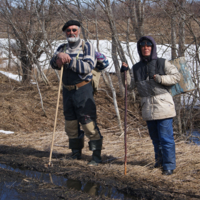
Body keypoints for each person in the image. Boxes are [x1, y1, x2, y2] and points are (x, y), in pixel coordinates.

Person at [121, 36, 180, 175]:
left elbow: (176, 77)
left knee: (166, 139)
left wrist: (161, 79)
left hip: (163, 106)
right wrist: (125, 72)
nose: (145, 48)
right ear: (140, 49)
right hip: (147, 107)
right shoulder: (136, 68)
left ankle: (169, 166)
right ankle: (159, 162)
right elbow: (129, 86)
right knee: (155, 139)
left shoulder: (162, 63)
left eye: (148, 46)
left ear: (152, 47)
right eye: (143, 46)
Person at [50, 20, 103, 166]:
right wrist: (58, 58)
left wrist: (68, 61)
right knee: (70, 123)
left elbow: (87, 67)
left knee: (88, 123)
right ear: (65, 33)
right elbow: (53, 63)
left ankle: (96, 156)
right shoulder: (62, 47)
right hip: (67, 90)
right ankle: (75, 153)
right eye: (68, 30)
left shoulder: (87, 46)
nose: (71, 33)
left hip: (83, 89)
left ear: (79, 31)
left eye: (74, 30)